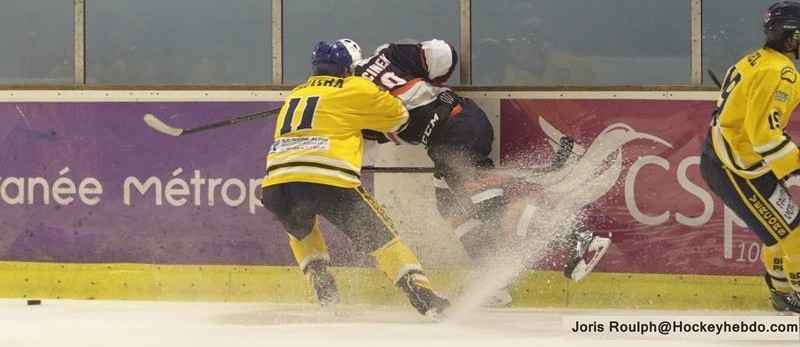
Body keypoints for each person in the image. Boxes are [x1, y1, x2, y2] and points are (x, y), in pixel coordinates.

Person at [354, 39, 609, 306]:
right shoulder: (388, 55)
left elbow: (366, 147)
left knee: (490, 209)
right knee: (451, 207)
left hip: (454, 134)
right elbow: (443, 53)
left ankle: (579, 240)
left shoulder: (353, 95)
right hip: (455, 129)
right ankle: (494, 283)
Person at [260, 38, 451, 318]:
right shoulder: (356, 86)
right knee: (383, 238)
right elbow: (399, 118)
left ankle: (321, 282)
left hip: (277, 184)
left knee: (300, 228)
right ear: (347, 68)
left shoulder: (296, 94)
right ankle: (423, 296)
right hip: (328, 180)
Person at [699, 1, 800, 314]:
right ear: (791, 36)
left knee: (784, 232)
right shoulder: (781, 72)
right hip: (736, 167)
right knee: (795, 235)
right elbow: (764, 136)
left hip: (731, 159)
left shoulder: (754, 60)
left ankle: (783, 295)